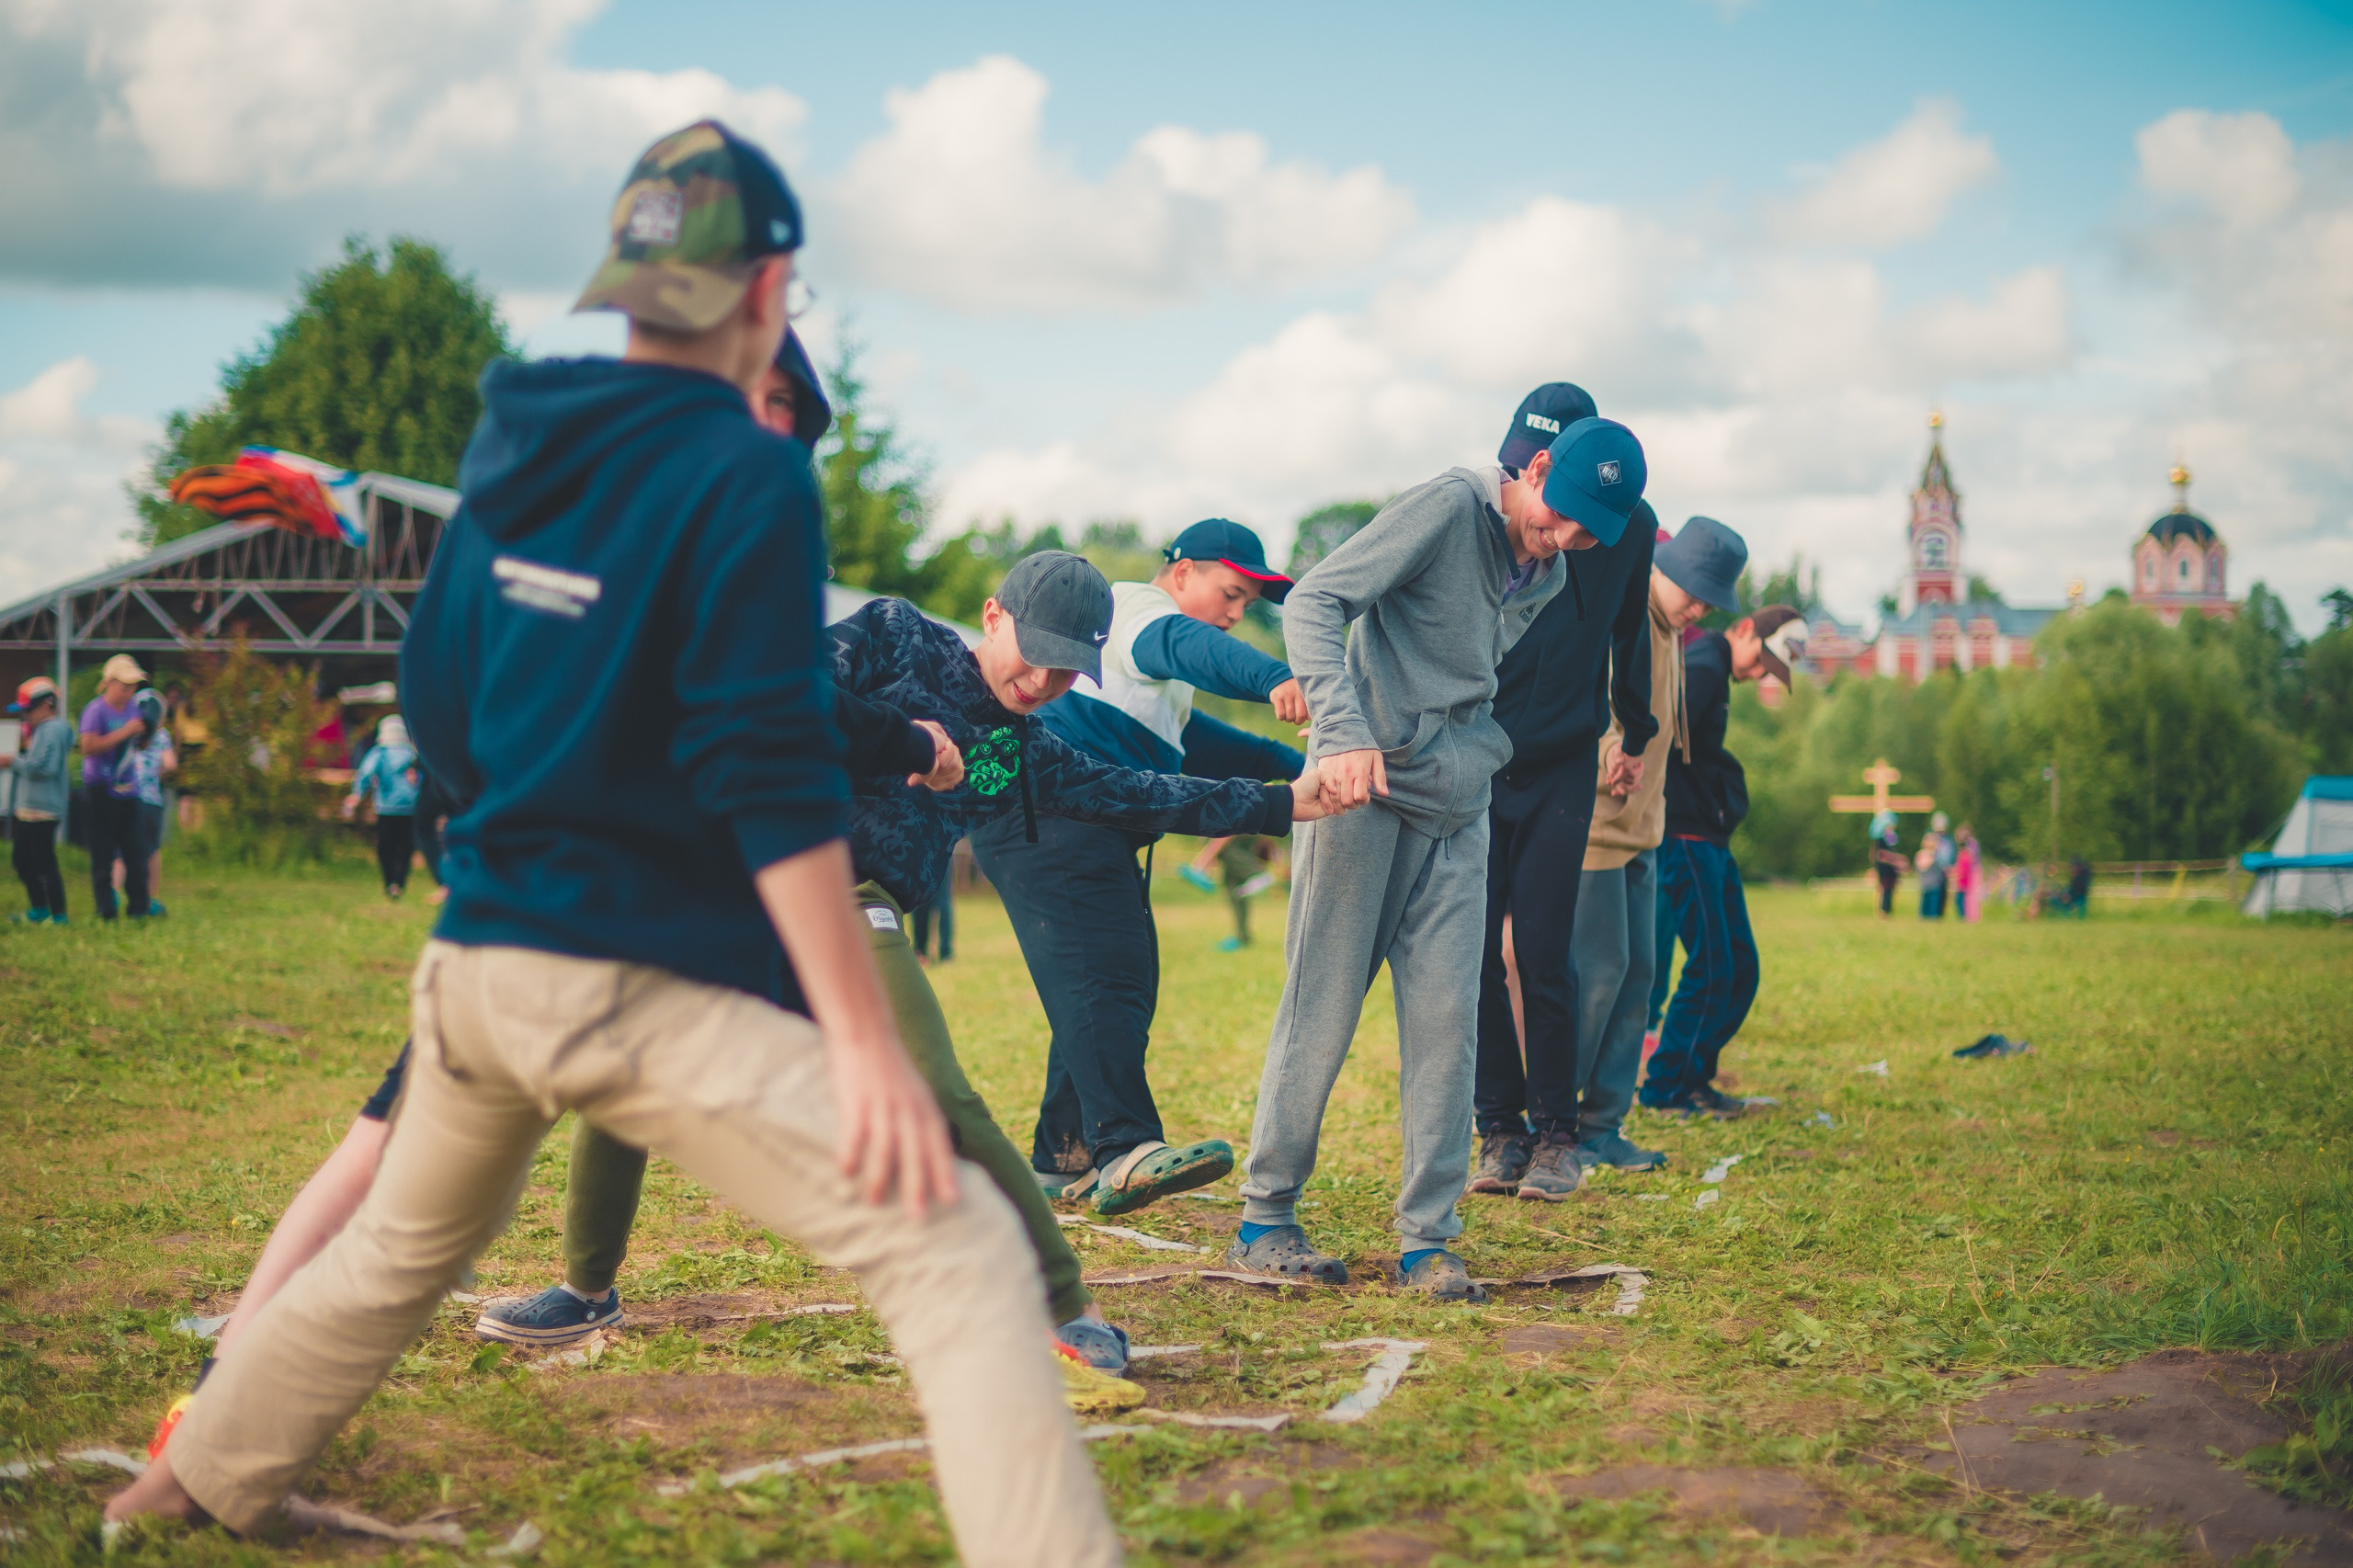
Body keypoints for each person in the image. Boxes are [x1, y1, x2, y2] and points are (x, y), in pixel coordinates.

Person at [108, 119, 1124, 1568]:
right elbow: (771, 771)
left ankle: (171, 1499)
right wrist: (851, 1031)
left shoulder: (517, 436)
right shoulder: (748, 473)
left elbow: (445, 707)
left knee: (400, 1249)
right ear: (768, 286)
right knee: (957, 1248)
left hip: (476, 956)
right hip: (616, 977)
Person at [1229, 415, 1649, 1301]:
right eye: (1559, 512)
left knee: (1449, 1026)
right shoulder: (1444, 510)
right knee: (1324, 1006)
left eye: (1586, 532)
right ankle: (1266, 1215)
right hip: (1363, 796)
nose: (1563, 537)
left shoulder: (1552, 568)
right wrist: (1342, 728)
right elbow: (1314, 601)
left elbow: (1470, 674)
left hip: (1460, 806)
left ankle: (1429, 1236)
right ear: (1533, 468)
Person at [972, 517, 1306, 1215]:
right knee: (1108, 976)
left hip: (1084, 819)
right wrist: (1279, 674)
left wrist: (1312, 774)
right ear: (1183, 573)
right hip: (1055, 818)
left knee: (1103, 978)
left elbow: (1215, 747)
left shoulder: (1153, 687)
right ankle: (1123, 1149)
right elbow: (1186, 645)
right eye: (1232, 593)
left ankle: (1063, 1158)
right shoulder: (1133, 615)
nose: (1235, 615)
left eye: (1246, 606)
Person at [1472, 387, 1658, 1203]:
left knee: (1546, 950)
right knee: (1471, 951)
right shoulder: (1484, 515)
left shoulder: (1628, 528)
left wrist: (1637, 729)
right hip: (1475, 757)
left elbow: (1629, 630)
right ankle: (1497, 1131)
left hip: (1560, 761)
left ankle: (1556, 1135)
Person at [1558, 517, 1733, 1178]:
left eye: (1708, 601)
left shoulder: (1675, 637)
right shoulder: (1619, 614)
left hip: (1644, 835)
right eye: (1691, 590)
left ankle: (1604, 1122)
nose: (1698, 607)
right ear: (1663, 565)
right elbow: (1587, 700)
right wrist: (1609, 750)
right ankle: (1555, 1122)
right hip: (1595, 835)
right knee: (1596, 980)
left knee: (1637, 983)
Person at [1636, 600, 1809, 1118]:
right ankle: (1666, 1087)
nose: (1758, 674)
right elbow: (1658, 736)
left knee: (1739, 967)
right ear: (1744, 629)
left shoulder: (1712, 666)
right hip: (1687, 836)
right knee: (1713, 965)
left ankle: (1692, 1079)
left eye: (1771, 671)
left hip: (1706, 836)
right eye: (1761, 660)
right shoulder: (1707, 665)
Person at [79, 653, 153, 921]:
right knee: (102, 854)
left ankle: (139, 909)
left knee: (136, 853)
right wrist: (125, 731)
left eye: (133, 686)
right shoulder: (95, 710)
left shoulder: (135, 709)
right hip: (101, 791)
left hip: (129, 791)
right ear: (109, 683)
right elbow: (87, 747)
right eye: (124, 686)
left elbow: (139, 744)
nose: (129, 691)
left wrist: (146, 733)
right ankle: (105, 910)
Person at [3, 678, 72, 925]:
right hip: (28, 809)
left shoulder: (53, 729)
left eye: (29, 709)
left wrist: (13, 761)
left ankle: (58, 915)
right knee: (22, 860)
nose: (25, 715)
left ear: (47, 703)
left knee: (44, 863)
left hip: (44, 810)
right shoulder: (41, 730)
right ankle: (39, 908)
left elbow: (45, 768)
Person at [343, 715, 422, 897]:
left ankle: (389, 882)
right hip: (411, 807)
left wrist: (357, 794)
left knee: (386, 846)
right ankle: (400, 882)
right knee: (406, 846)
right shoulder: (413, 753)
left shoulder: (380, 753)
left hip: (386, 807)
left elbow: (366, 773)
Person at [119, 688, 176, 915]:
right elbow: (171, 764)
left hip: (127, 795)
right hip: (151, 799)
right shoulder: (162, 735)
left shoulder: (129, 732)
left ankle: (113, 894)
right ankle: (150, 898)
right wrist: (156, 774)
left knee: (121, 851)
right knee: (151, 850)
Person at [1916, 811, 1952, 919]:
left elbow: (1947, 860)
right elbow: (1922, 865)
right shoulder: (1924, 853)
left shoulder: (1947, 841)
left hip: (1939, 880)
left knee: (1938, 904)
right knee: (1927, 906)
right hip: (1928, 884)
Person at [1870, 811, 1905, 918]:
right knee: (1884, 890)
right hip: (1884, 869)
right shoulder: (1880, 840)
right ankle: (1883, 911)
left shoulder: (1892, 840)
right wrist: (1896, 860)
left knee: (1890, 890)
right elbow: (1880, 855)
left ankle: (1888, 910)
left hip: (1891, 870)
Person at [1953, 824, 1982, 922]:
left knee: (1970, 896)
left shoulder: (1971, 844)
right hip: (1968, 873)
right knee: (1965, 897)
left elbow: (1969, 859)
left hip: (1971, 873)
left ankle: (1971, 917)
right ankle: (1968, 916)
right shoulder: (1968, 845)